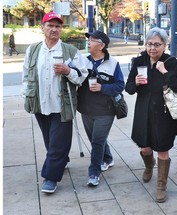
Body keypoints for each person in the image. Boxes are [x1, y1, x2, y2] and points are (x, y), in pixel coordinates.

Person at [22, 12, 88, 194]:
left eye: (58, 26)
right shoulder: (33, 50)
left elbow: (82, 76)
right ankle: (61, 160)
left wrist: (68, 71)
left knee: (58, 142)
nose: (54, 29)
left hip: (62, 105)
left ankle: (50, 177)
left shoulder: (70, 51)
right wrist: (26, 93)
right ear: (42, 28)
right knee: (50, 140)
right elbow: (26, 74)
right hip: (40, 104)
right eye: (50, 25)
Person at [125, 27, 177, 202]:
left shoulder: (171, 62)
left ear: (165, 45)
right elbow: (128, 88)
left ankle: (161, 185)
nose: (152, 48)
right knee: (145, 147)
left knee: (162, 150)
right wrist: (135, 83)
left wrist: (164, 72)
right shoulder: (139, 62)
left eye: (157, 44)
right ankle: (149, 165)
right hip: (143, 111)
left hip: (164, 113)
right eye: (149, 44)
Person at [77, 31, 125, 187]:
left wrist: (102, 87)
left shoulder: (113, 63)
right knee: (96, 139)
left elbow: (120, 86)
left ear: (102, 45)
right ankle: (108, 158)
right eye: (88, 40)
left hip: (106, 110)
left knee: (97, 141)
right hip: (86, 109)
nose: (88, 42)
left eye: (92, 40)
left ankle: (94, 173)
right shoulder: (82, 60)